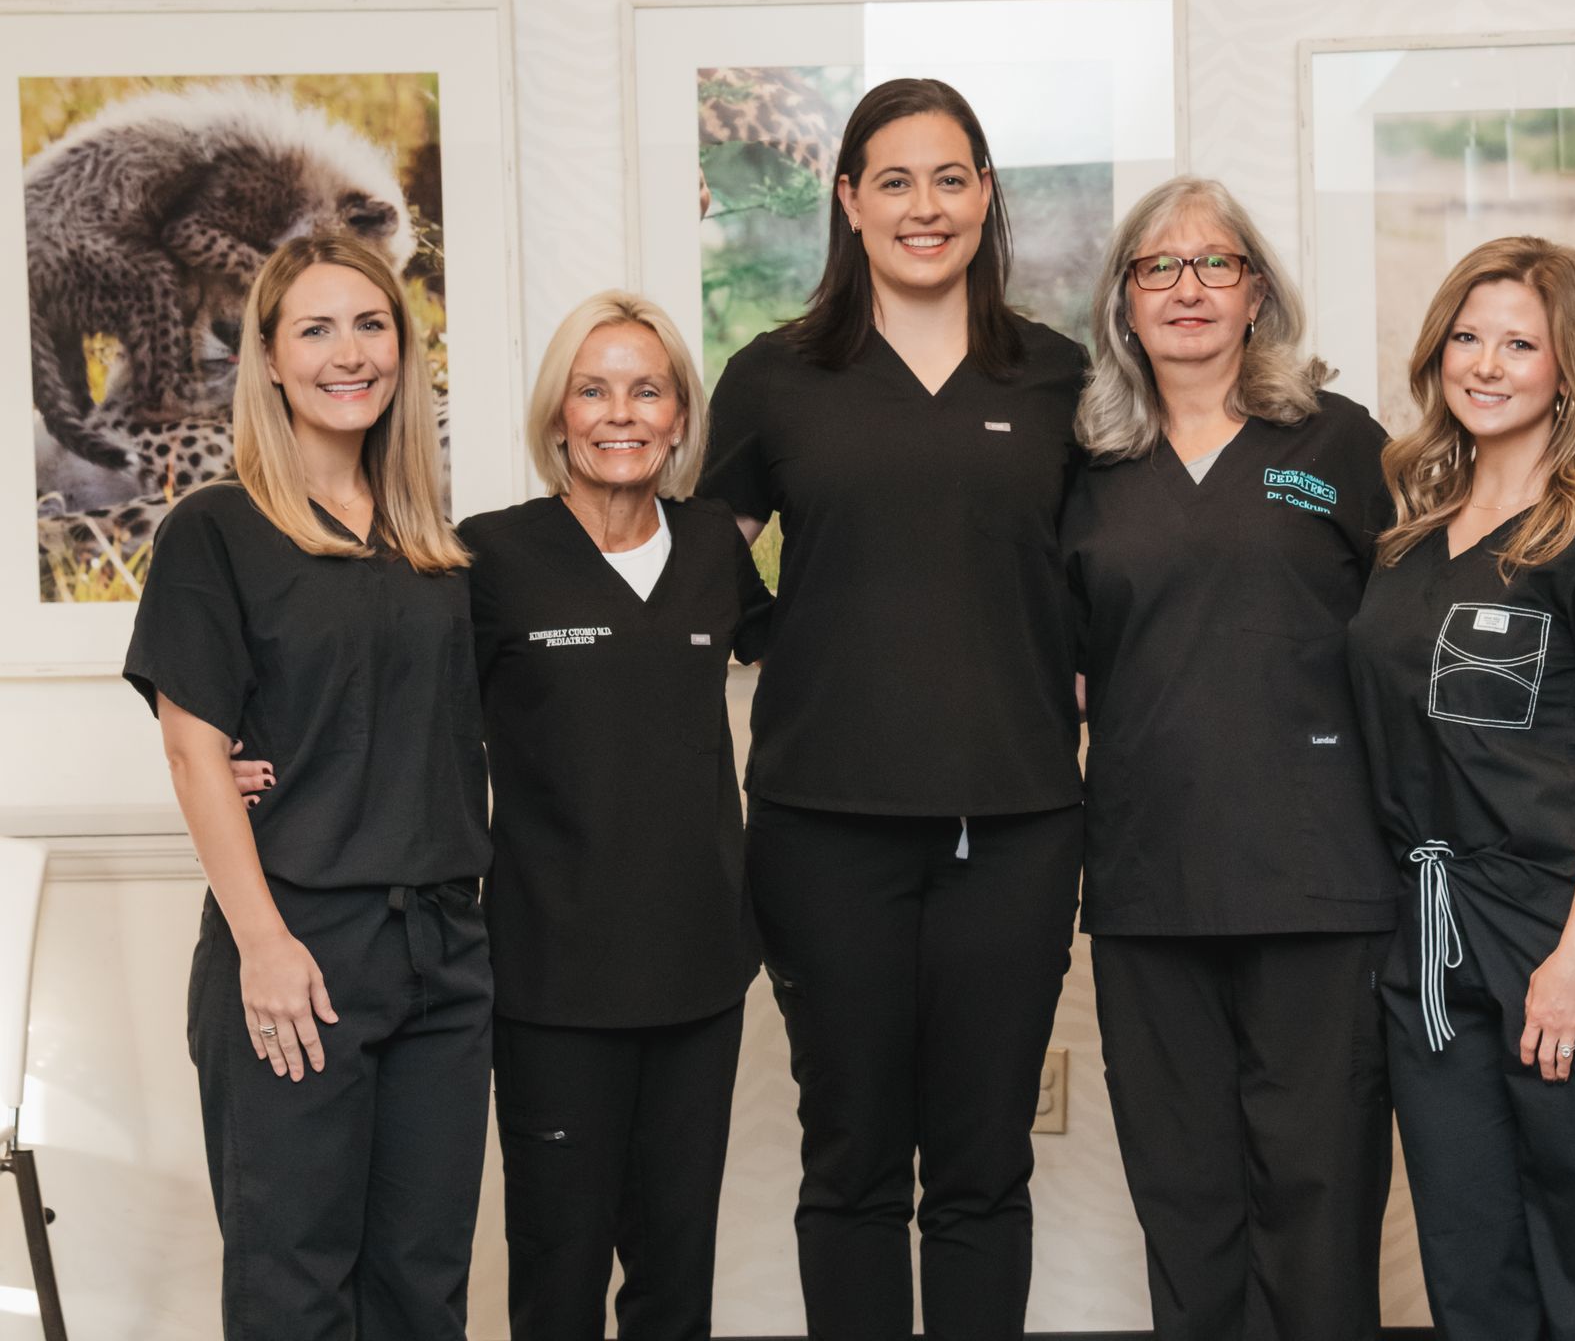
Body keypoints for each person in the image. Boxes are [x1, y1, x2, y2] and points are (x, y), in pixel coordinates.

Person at [230, 291, 774, 1340]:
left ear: (677, 418)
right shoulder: (490, 558)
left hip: (700, 971)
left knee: (676, 1274)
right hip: (548, 977)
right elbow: (385, 684)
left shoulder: (713, 549)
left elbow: (824, 665)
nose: (621, 414)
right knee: (558, 1274)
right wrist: (259, 754)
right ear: (558, 416)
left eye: (647, 390)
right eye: (593, 389)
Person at [699, 77, 1087, 1341]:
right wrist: (786, 635)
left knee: (982, 1167)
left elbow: (1119, 572)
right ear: (849, 200)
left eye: (953, 178)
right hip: (823, 825)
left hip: (1020, 827)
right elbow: (697, 577)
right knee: (853, 1164)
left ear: (987, 195)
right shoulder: (775, 377)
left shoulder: (1061, 378)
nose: (927, 207)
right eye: (897, 181)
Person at [124, 232, 493, 1341]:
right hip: (301, 946)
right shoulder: (216, 532)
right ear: (270, 361)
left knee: (422, 1288)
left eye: (371, 325)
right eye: (316, 329)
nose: (349, 353)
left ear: (403, 349)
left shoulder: (434, 549)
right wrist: (265, 945)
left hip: (444, 951)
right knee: (297, 1292)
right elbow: (195, 753)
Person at [1059, 177, 1397, 1340]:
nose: (1189, 287)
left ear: (1257, 290)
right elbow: (1058, 659)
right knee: (1186, 1193)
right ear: (1124, 303)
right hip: (1151, 879)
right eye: (1159, 267)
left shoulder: (1339, 441)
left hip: (1320, 875)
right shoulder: (1085, 468)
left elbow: (1410, 635)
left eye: (1216, 263)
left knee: (1320, 1188)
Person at [1345, 236, 1575, 1340]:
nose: (1485, 366)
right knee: (1467, 1241)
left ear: (1570, 371)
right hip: (1435, 936)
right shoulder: (1403, 549)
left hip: (1566, 923)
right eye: (1467, 338)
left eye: (1519, 344)